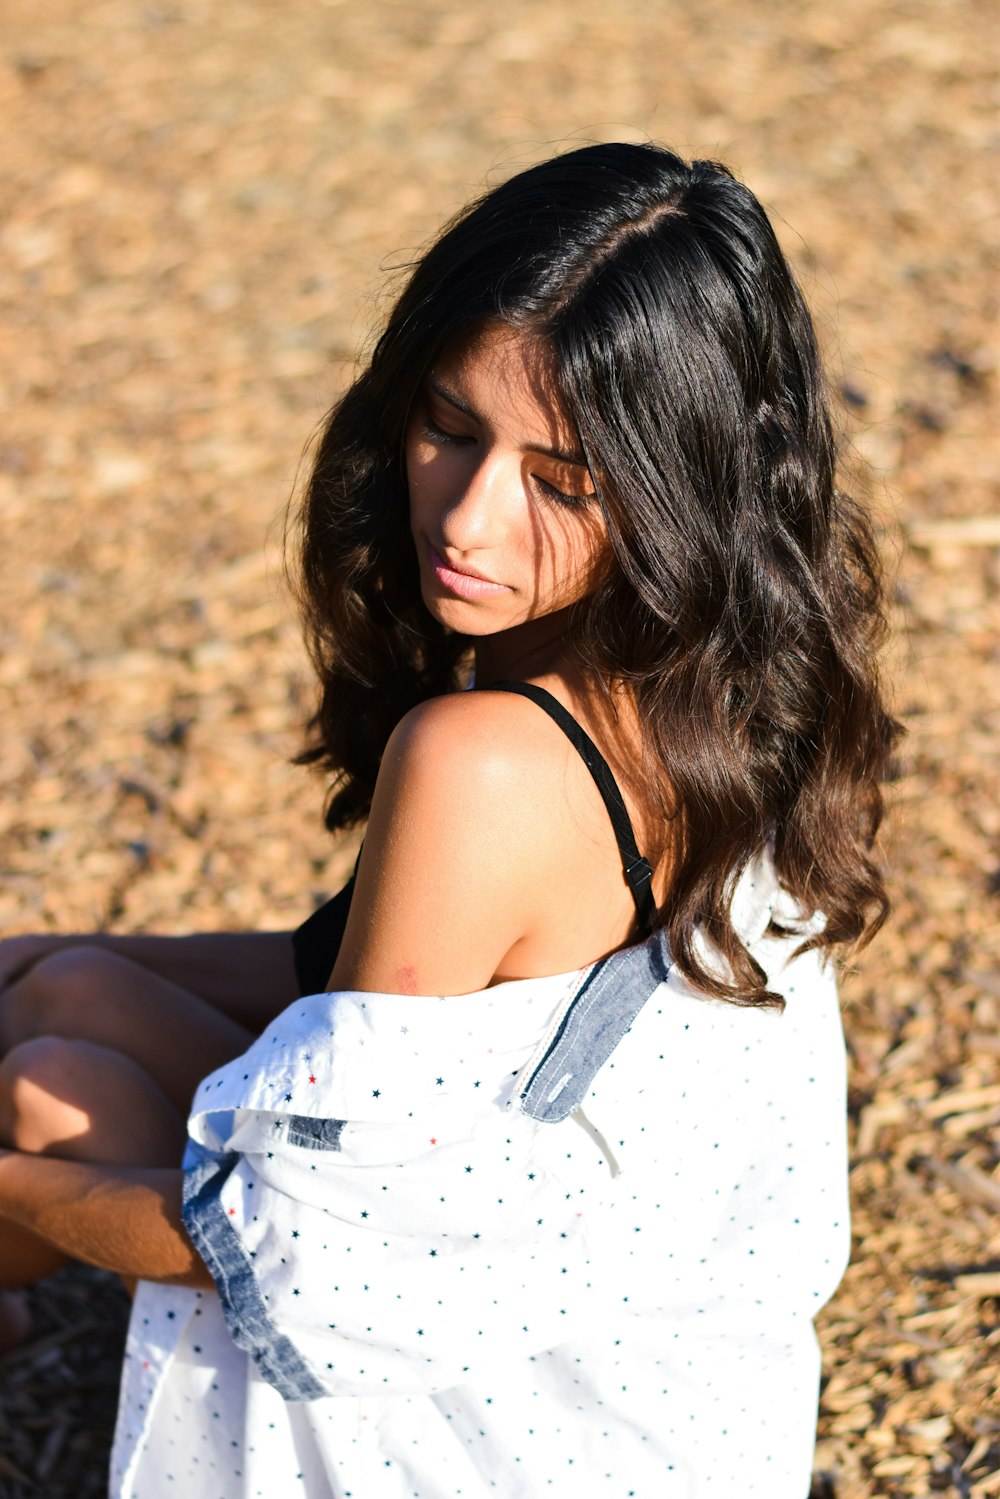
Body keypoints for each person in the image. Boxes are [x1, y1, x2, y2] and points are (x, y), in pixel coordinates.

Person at [0, 142, 899, 1496]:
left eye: (563, 480)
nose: (469, 521)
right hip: (663, 1402)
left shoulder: (484, 762)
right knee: (66, 988)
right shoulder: (733, 692)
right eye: (449, 427)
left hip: (501, 1440)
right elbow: (395, 994)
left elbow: (284, 1247)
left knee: (53, 1086)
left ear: (675, 482)